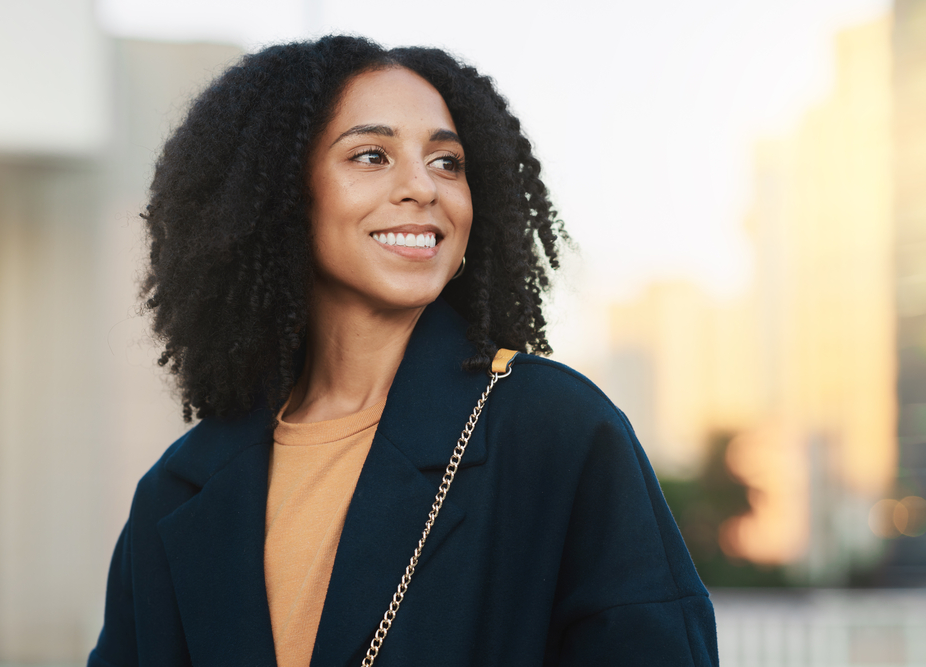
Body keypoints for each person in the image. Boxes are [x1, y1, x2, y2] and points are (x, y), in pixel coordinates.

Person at [88, 35, 718, 667]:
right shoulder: (178, 491)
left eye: (447, 163)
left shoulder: (554, 429)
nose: (423, 187)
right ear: (279, 196)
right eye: (370, 155)